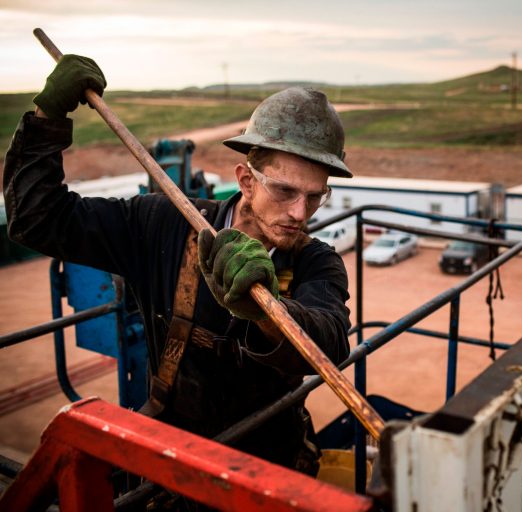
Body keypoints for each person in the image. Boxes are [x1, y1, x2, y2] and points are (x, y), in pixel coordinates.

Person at [3, 55, 353, 476]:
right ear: (245, 180)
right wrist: (47, 118)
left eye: (315, 197)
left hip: (268, 463)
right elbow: (39, 220)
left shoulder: (316, 260)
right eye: (285, 191)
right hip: (169, 455)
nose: (300, 213)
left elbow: (330, 344)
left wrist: (268, 314)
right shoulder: (163, 224)